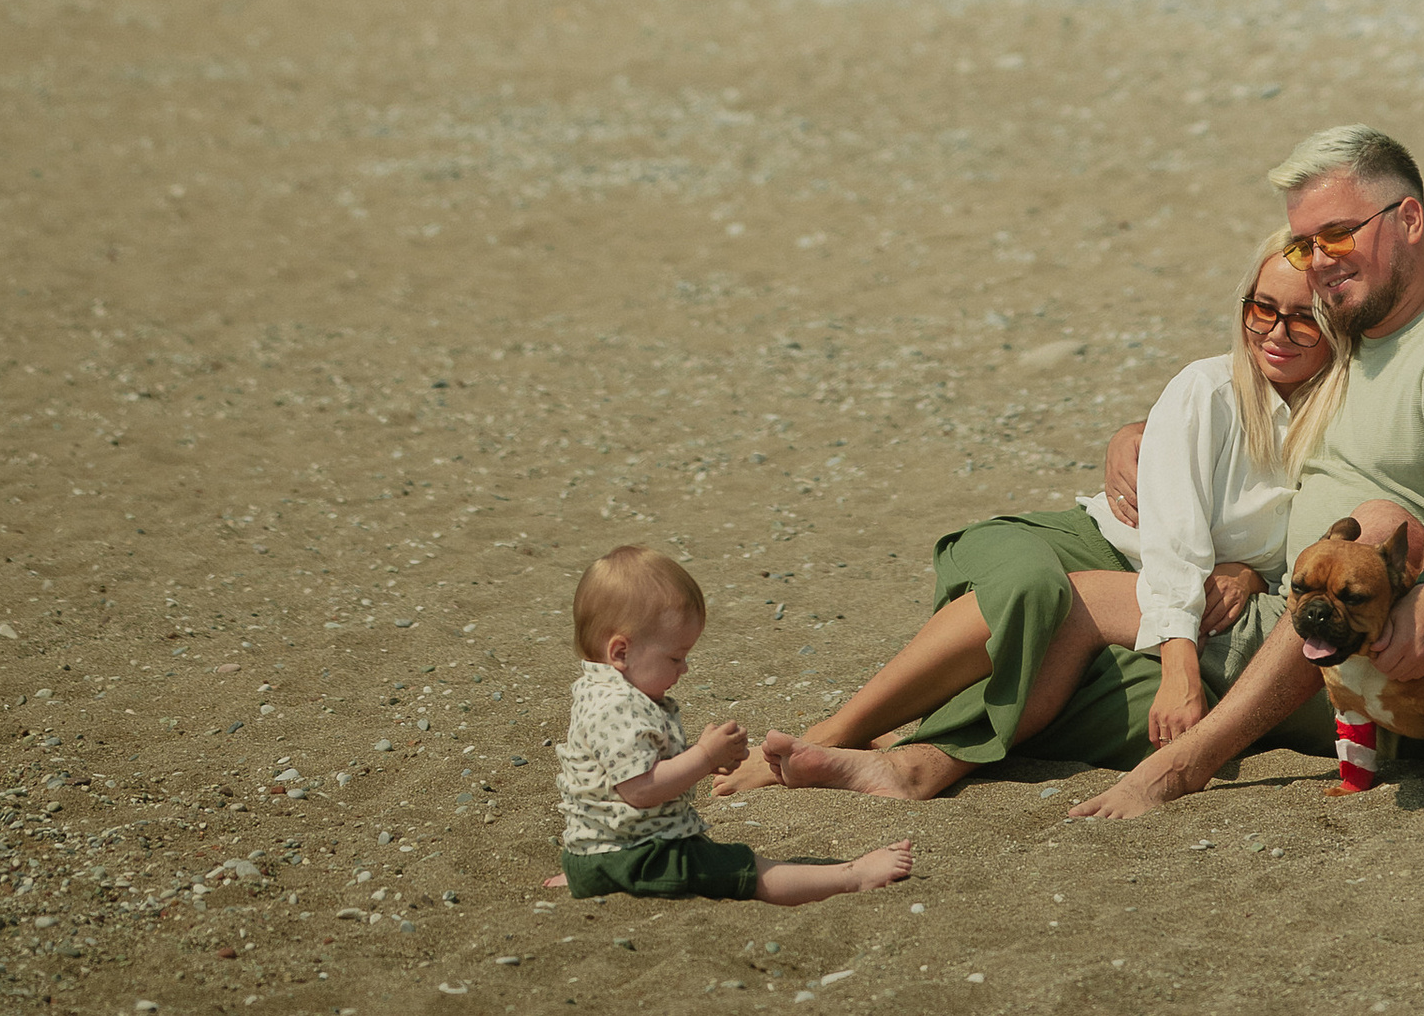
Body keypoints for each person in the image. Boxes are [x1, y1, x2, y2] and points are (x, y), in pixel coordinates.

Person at [717, 234, 1345, 802]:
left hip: (1152, 596)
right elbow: (1175, 539)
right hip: (1086, 544)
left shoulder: (1339, 423)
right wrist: (1180, 666)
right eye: (1262, 309)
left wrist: (1253, 574)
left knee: (1119, 700)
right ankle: (835, 733)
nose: (1276, 333)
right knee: (1034, 591)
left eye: (1303, 319)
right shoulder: (1207, 388)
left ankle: (905, 751)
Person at [1068, 120, 1424, 821]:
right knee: (1045, 604)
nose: (1319, 262)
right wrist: (1139, 432)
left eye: (1336, 235)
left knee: (1377, 527)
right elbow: (1252, 402)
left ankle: (1183, 766)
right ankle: (924, 761)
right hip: (1302, 600)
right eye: (1305, 244)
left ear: (1410, 219)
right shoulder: (1358, 330)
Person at [548, 544, 913, 902]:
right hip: (639, 855)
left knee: (702, 853)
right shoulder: (618, 707)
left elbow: (630, 771)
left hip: (603, 849)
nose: (684, 668)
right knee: (747, 868)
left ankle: (595, 871)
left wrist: (702, 758)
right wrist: (704, 757)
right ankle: (851, 877)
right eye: (675, 657)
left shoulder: (599, 692)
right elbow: (640, 790)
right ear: (621, 652)